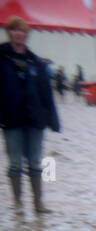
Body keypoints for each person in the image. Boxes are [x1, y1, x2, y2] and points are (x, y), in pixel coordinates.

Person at [1, 16, 59, 215]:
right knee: (15, 163)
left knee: (36, 162)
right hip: (11, 120)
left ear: (27, 35)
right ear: (9, 33)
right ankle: (18, 204)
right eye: (15, 30)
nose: (18, 34)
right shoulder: (2, 58)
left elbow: (46, 93)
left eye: (22, 31)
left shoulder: (35, 62)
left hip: (35, 120)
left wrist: (52, 119)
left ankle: (38, 204)